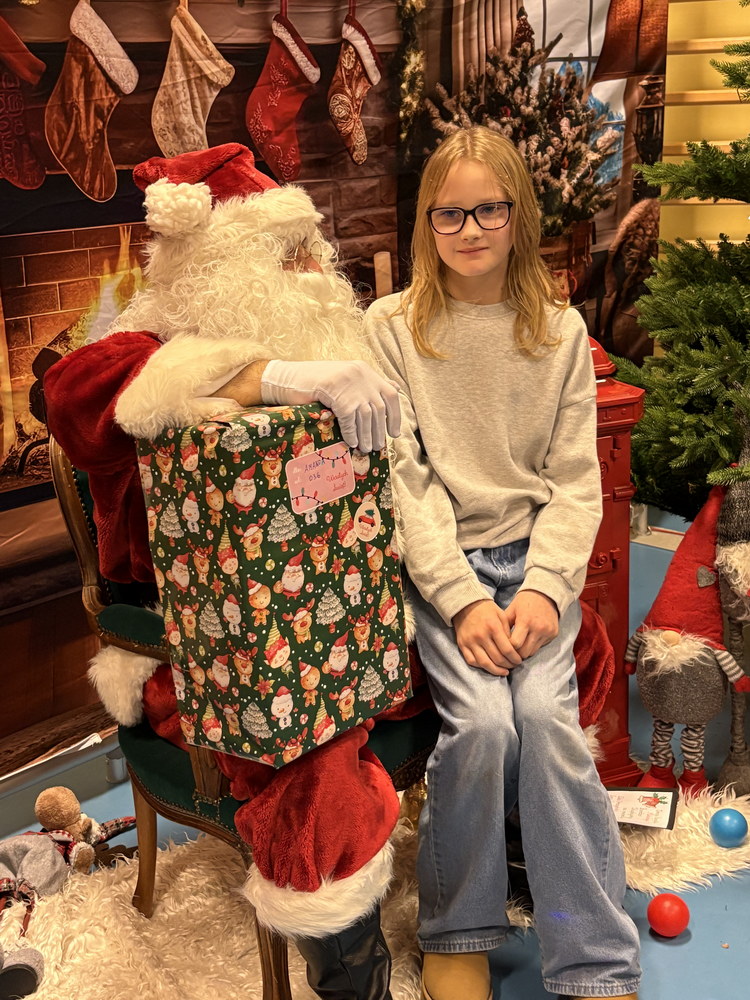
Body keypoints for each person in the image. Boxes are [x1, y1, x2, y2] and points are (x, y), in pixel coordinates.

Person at [43, 143, 414, 1000]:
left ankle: (481, 903)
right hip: (208, 658)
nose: (311, 270)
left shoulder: (340, 352)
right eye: (282, 254)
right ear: (214, 264)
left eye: (309, 249)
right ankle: (352, 978)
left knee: (508, 658)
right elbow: (70, 394)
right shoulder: (145, 344)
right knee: (315, 768)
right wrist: (265, 375)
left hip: (354, 621)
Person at [364, 126, 642, 1000]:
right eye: (450, 214)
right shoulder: (391, 329)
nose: (471, 229)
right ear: (426, 221)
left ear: (517, 215)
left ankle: (592, 955)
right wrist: (460, 599)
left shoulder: (558, 333)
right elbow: (403, 480)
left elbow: (575, 481)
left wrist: (547, 591)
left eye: (489, 209)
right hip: (446, 574)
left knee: (549, 725)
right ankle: (459, 932)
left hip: (534, 573)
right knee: (482, 727)